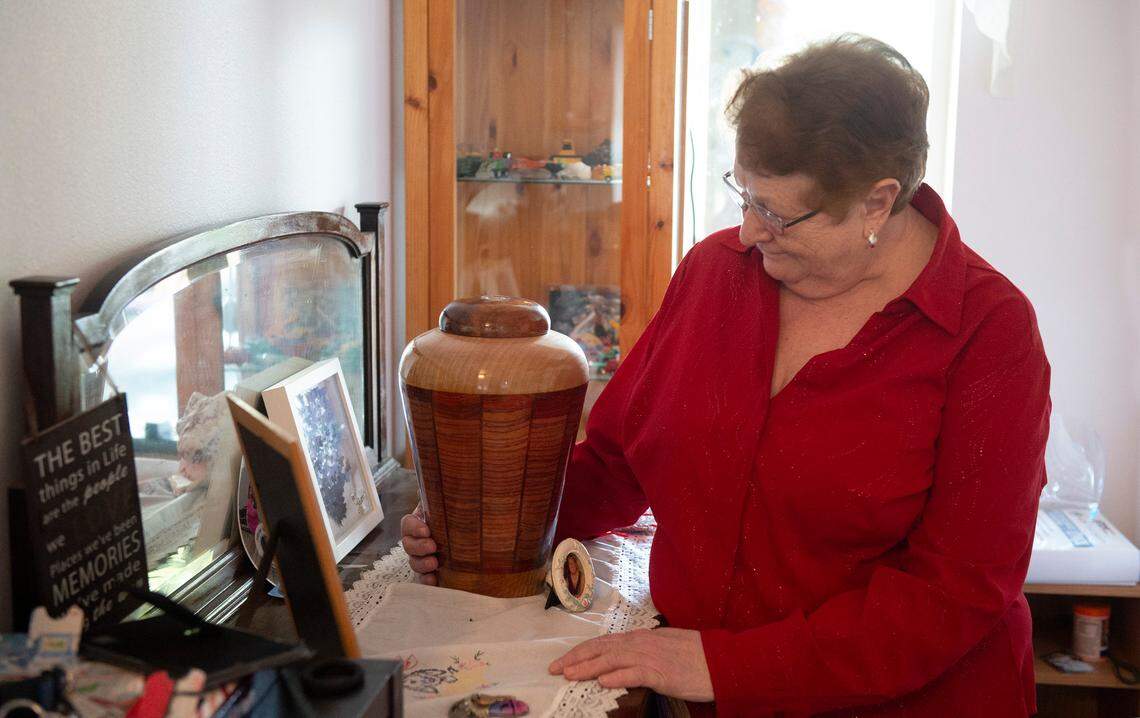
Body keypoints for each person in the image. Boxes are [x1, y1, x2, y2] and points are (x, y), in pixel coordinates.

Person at [402, 35, 1050, 717]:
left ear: (876, 203)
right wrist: (478, 534)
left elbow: (953, 596)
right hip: (703, 694)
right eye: (745, 195)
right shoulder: (716, 276)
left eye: (775, 211)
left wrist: (724, 664)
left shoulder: (988, 332)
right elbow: (619, 464)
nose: (746, 231)